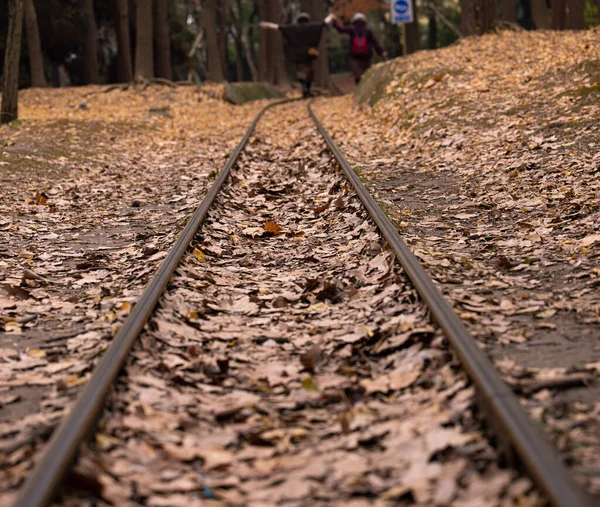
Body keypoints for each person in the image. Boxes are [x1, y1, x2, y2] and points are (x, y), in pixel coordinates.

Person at [260, 12, 334, 98]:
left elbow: (279, 27)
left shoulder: (292, 28)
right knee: (309, 69)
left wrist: (267, 25)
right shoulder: (312, 27)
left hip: (297, 54)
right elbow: (323, 24)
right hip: (309, 52)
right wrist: (330, 17)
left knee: (300, 70)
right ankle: (308, 88)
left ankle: (303, 86)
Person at [331, 13, 387, 84]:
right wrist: (382, 52)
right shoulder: (368, 30)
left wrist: (334, 21)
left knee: (357, 75)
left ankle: (358, 86)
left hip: (354, 56)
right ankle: (365, 89)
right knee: (365, 74)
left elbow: (340, 29)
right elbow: (375, 42)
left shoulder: (351, 28)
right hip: (366, 55)